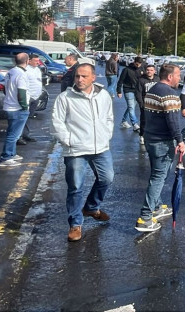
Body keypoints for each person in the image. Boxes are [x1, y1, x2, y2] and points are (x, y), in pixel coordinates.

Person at [51, 63, 115, 242]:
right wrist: (69, 141)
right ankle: (75, 224)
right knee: (76, 187)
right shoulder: (65, 97)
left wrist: (106, 134)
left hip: (100, 147)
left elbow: (109, 117)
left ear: (93, 77)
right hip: (76, 149)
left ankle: (92, 207)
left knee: (107, 178)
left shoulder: (103, 95)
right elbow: (57, 123)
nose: (80, 79)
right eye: (77, 76)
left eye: (84, 76)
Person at [135, 64, 185, 232]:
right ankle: (145, 217)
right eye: (178, 75)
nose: (180, 78)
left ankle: (157, 206)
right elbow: (173, 121)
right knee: (158, 177)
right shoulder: (170, 94)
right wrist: (180, 140)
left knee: (158, 174)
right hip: (162, 142)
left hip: (150, 138)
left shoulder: (153, 89)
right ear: (170, 77)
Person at [0, 53, 31, 168]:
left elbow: (5, 88)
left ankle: (12, 153)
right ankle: (6, 156)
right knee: (14, 134)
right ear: (27, 61)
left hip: (9, 106)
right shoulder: (21, 74)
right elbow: (21, 93)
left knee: (12, 132)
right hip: (17, 108)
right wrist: (24, 106)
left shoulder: (11, 72)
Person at [21, 53, 45, 143]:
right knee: (23, 117)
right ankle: (19, 137)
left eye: (38, 61)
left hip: (35, 97)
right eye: (35, 61)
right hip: (28, 97)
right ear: (29, 61)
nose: (38, 62)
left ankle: (26, 134)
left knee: (29, 117)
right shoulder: (25, 70)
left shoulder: (37, 70)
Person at [117, 57, 144, 130]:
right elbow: (120, 80)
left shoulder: (141, 69)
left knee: (131, 107)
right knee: (131, 107)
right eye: (137, 63)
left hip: (138, 91)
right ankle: (135, 124)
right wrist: (119, 91)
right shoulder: (126, 70)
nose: (138, 65)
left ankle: (124, 121)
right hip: (128, 90)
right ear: (134, 62)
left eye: (140, 64)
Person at [138, 64, 158, 145]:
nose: (149, 72)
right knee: (144, 120)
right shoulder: (141, 80)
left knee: (156, 120)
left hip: (156, 104)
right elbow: (138, 92)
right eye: (148, 70)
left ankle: (153, 135)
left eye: (151, 70)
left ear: (154, 71)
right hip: (145, 103)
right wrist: (141, 103)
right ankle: (142, 135)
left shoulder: (157, 79)